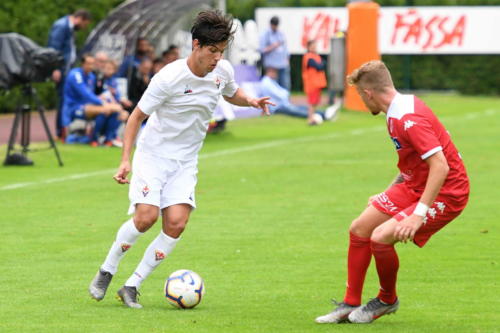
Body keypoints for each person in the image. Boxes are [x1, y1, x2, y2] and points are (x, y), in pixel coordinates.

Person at [88, 10, 273, 308]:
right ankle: (107, 270)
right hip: (153, 155)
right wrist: (125, 160)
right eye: (212, 50)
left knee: (175, 223)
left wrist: (249, 100)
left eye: (221, 51)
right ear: (196, 45)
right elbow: (135, 117)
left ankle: (132, 285)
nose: (217, 58)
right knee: (146, 217)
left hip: (185, 161)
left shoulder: (222, 71)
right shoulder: (169, 77)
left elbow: (231, 92)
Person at [315, 60, 469, 324]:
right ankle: (349, 303)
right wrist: (386, 194)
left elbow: (440, 166)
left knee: (381, 237)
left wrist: (417, 215)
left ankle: (387, 300)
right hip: (414, 185)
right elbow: (412, 163)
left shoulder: (408, 119)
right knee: (360, 228)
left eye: (361, 97)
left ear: (368, 93)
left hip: (447, 191)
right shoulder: (397, 109)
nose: (364, 104)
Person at [62, 54, 127, 146]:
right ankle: (94, 138)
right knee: (107, 109)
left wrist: (110, 102)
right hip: (73, 108)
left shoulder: (92, 77)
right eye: (88, 63)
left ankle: (108, 138)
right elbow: (85, 94)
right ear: (82, 64)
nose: (91, 66)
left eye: (92, 64)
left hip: (88, 106)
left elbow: (95, 95)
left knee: (116, 112)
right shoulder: (75, 74)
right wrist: (103, 103)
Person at [47, 9, 92, 138]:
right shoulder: (61, 26)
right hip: (61, 70)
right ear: (80, 18)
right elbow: (53, 48)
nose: (84, 28)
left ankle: (64, 131)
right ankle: (60, 132)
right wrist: (54, 68)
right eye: (85, 24)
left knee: (66, 100)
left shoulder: (70, 28)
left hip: (67, 70)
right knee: (63, 101)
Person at [259, 67, 325, 121]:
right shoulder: (266, 82)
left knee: (301, 107)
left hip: (282, 104)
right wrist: (285, 94)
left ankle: (323, 113)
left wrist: (285, 94)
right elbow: (280, 94)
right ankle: (319, 115)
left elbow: (282, 92)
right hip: (276, 107)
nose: (276, 74)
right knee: (296, 111)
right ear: (270, 72)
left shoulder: (271, 81)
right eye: (275, 72)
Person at [259, 16, 290, 91]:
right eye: (274, 25)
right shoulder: (265, 34)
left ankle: (285, 101)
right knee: (273, 87)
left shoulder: (281, 33)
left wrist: (287, 58)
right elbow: (262, 50)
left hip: (282, 63)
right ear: (271, 24)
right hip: (271, 65)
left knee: (285, 85)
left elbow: (285, 47)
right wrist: (274, 46)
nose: (275, 27)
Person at [302, 40, 328, 125]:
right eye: (312, 46)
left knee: (315, 103)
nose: (314, 47)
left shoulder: (316, 56)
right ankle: (310, 119)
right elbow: (319, 66)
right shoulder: (308, 57)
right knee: (312, 103)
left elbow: (322, 65)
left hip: (317, 84)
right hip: (311, 84)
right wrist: (322, 64)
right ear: (309, 47)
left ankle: (312, 118)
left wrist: (322, 64)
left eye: (315, 45)